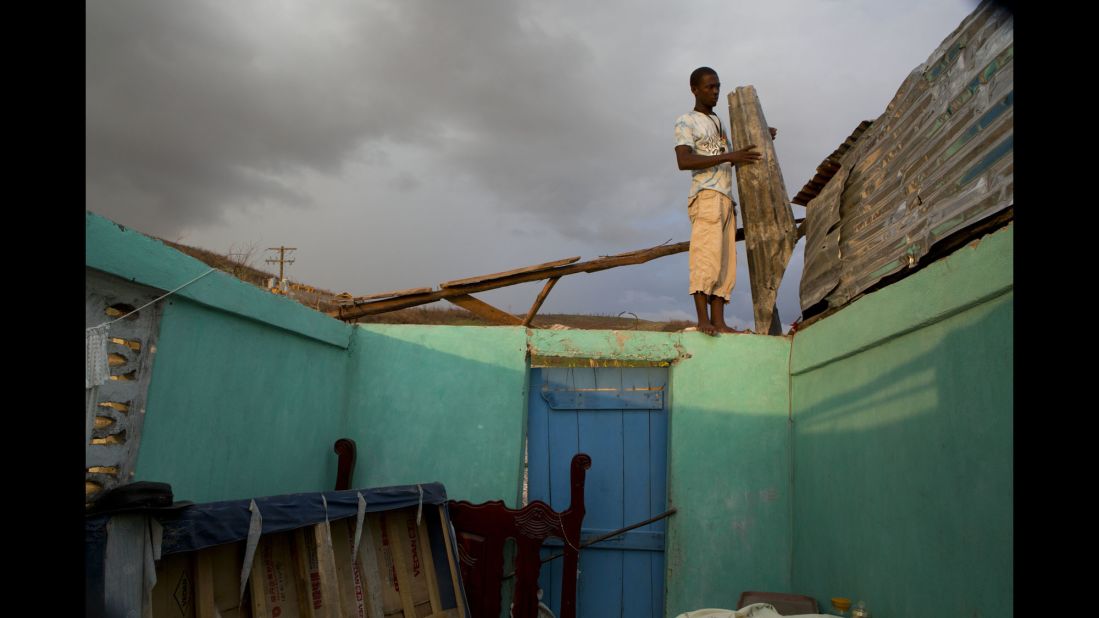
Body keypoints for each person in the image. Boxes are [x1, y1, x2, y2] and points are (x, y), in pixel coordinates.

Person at [674, 66, 776, 335]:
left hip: (726, 199)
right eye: (709, 87)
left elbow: (733, 154)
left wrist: (763, 138)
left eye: (717, 86)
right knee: (705, 257)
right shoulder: (687, 120)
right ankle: (702, 320)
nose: (715, 91)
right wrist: (729, 157)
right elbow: (683, 160)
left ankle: (719, 321)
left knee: (725, 262)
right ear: (694, 89)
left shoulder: (719, 123)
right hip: (706, 195)